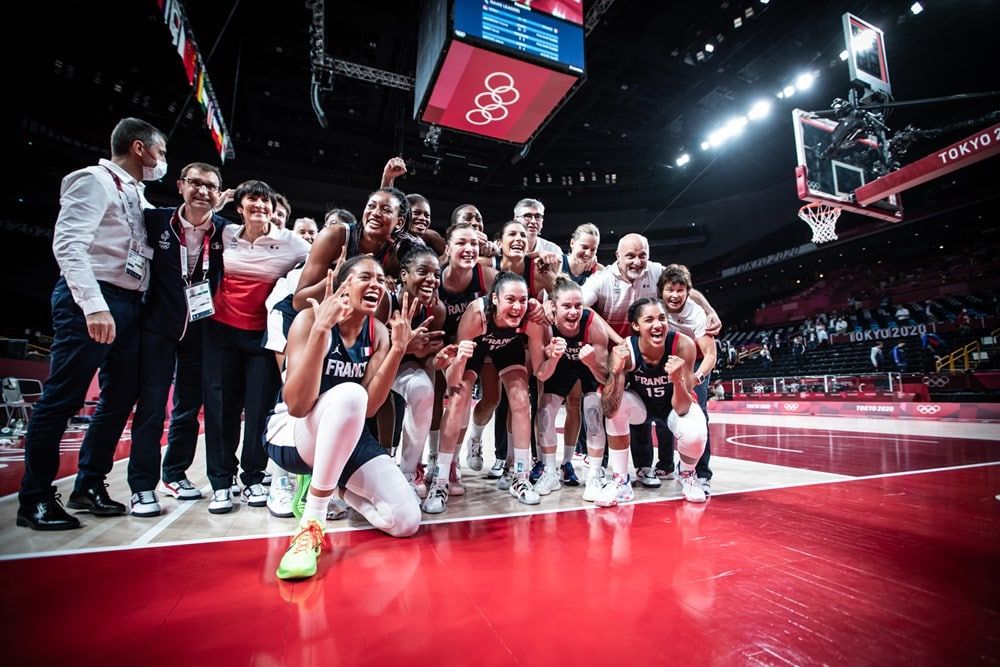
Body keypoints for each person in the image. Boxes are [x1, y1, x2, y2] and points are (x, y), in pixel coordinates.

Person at [17, 118, 166, 531]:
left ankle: (89, 484)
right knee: (62, 398)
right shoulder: (93, 180)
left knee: (120, 397)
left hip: (131, 303)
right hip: (94, 299)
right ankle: (35, 498)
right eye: (161, 152)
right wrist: (94, 306)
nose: (162, 160)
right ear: (140, 148)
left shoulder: (136, 193)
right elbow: (68, 244)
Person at [264, 257, 422, 580]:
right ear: (344, 286)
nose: (376, 284)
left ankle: (334, 486)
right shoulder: (309, 319)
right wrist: (321, 332)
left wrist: (397, 350)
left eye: (381, 279)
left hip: (345, 435)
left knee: (406, 521)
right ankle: (312, 522)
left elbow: (370, 408)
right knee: (351, 394)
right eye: (365, 277)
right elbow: (296, 405)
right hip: (291, 432)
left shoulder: (378, 332)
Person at [202, 180, 309, 514]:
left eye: (265, 201)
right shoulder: (224, 234)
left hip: (262, 338)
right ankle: (221, 483)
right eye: (252, 199)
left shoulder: (291, 242)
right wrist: (214, 206)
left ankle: (252, 478)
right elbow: (193, 226)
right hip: (220, 334)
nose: (260, 205)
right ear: (240, 207)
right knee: (221, 410)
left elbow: (320, 261)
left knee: (260, 409)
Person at [127, 162, 227, 517]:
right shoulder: (156, 221)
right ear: (181, 185)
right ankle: (142, 485)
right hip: (158, 327)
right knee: (152, 406)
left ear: (219, 194)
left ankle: (174, 474)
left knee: (187, 408)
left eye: (211, 186)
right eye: (196, 183)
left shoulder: (225, 231)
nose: (203, 191)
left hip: (200, 331)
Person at [424, 272, 544, 514]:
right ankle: (440, 480)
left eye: (523, 300)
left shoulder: (530, 318)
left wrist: (553, 352)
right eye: (510, 299)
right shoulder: (476, 314)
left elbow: (541, 372)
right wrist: (457, 362)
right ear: (495, 299)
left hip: (508, 347)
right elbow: (453, 379)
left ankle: (520, 477)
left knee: (521, 400)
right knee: (458, 399)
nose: (517, 307)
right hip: (476, 347)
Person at [599, 298, 708, 506]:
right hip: (640, 408)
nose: (658, 325)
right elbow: (608, 409)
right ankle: (621, 480)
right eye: (649, 320)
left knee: (696, 432)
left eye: (662, 318)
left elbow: (683, 407)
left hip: (673, 408)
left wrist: (677, 379)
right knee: (619, 405)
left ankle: (686, 474)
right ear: (635, 326)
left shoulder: (683, 345)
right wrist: (617, 372)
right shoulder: (624, 350)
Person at [528, 277, 609, 500]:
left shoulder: (593, 324)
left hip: (587, 367)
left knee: (593, 411)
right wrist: (553, 357)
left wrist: (592, 362)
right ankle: (550, 471)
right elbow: (540, 374)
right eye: (567, 306)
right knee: (544, 411)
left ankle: (593, 475)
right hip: (560, 366)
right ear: (553, 306)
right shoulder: (544, 324)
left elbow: (605, 377)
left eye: (578, 306)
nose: (574, 312)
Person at [374, 247, 446, 498]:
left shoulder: (437, 310)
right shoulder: (385, 300)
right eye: (422, 271)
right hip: (374, 364)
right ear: (404, 275)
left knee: (424, 390)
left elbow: (426, 360)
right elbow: (369, 349)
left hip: (404, 363)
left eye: (436, 274)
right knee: (380, 399)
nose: (431, 280)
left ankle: (408, 471)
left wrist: (436, 358)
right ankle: (383, 460)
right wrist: (402, 344)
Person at [581, 233, 721, 338]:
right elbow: (581, 305)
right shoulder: (601, 279)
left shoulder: (656, 271)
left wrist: (710, 312)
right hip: (612, 347)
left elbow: (684, 290)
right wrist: (618, 340)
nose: (637, 262)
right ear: (618, 255)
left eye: (642, 256)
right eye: (630, 256)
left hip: (647, 348)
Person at [293, 187, 412, 311]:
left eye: (386, 210)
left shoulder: (394, 255)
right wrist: (337, 278)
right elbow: (299, 302)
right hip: (302, 313)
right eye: (371, 206)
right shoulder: (334, 236)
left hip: (344, 314)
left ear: (399, 223)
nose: (375, 213)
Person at [655, 264, 717, 493]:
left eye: (680, 290)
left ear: (688, 292)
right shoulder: (656, 307)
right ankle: (665, 465)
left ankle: (702, 473)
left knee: (698, 412)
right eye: (670, 290)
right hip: (669, 359)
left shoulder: (696, 313)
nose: (675, 295)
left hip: (696, 362)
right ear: (661, 291)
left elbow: (711, 354)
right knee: (663, 410)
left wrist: (696, 378)